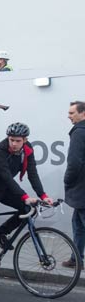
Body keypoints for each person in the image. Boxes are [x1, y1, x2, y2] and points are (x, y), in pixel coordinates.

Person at [0, 122, 52, 285]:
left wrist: (43, 195)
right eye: (11, 140)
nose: (14, 144)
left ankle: (0, 233)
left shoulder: (28, 149)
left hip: (4, 189)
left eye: (18, 141)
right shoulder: (0, 150)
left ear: (25, 140)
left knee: (28, 209)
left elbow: (32, 173)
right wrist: (24, 195)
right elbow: (6, 176)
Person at [63, 101, 85, 268]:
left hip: (81, 188)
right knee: (77, 224)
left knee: (80, 223)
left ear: (82, 113)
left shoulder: (79, 132)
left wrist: (68, 180)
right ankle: (75, 258)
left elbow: (74, 162)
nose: (69, 116)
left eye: (72, 113)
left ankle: (75, 258)